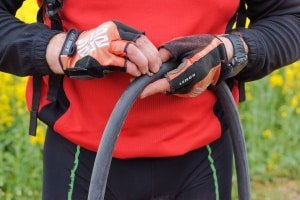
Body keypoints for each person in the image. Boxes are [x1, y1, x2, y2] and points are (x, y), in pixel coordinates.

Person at [0, 0, 299, 199]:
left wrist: (231, 50)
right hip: (79, 161)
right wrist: (65, 49)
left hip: (202, 157)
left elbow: (290, 15)